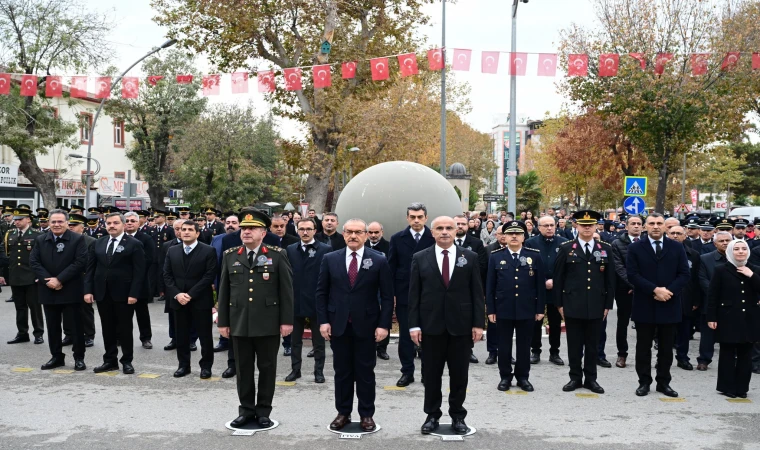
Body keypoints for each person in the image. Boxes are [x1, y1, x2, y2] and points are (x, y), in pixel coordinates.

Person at [217, 210, 294, 429]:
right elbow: (224, 292)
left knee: (267, 369)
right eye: (244, 228)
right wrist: (223, 321)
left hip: (268, 322)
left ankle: (263, 411)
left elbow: (286, 291)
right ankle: (246, 410)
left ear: (263, 232)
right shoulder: (231, 255)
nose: (246, 232)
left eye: (252, 228)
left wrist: (286, 321)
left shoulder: (277, 254)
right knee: (243, 369)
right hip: (239, 321)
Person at [315, 218, 393, 433]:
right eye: (349, 232)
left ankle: (367, 414)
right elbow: (321, 293)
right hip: (338, 325)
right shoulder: (330, 259)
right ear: (343, 233)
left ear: (366, 235)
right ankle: (343, 412)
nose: (353, 236)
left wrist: (383, 325)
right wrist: (323, 321)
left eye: (358, 232)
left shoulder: (378, 260)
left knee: (366, 373)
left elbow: (387, 296)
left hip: (367, 326)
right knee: (342, 372)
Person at [409, 216, 484, 435]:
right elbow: (414, 295)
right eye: (439, 228)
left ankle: (458, 416)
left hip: (461, 327)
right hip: (431, 327)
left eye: (449, 228)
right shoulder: (420, 258)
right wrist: (414, 325)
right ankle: (432, 415)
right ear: (431, 232)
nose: (444, 232)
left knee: (459, 375)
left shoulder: (469, 257)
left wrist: (478, 324)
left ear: (456, 230)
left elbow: (477, 294)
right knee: (431, 375)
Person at [627, 213, 690, 398]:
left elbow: (684, 274)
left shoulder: (677, 247)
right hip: (645, 303)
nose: (655, 226)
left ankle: (664, 382)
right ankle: (644, 382)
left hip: (669, 304)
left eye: (659, 223)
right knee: (643, 347)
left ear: (665, 227)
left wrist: (668, 291)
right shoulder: (636, 247)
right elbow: (632, 274)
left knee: (666, 348)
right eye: (652, 223)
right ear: (646, 227)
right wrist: (655, 290)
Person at [554, 210, 615, 394]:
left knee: (592, 344)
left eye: (590, 225)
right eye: (583, 225)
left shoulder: (605, 248)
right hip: (572, 304)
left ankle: (591, 379)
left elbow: (610, 280)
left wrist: (607, 305)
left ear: (596, 226)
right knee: (574, 344)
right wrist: (559, 304)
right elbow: (559, 279)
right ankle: (574, 378)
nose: (587, 228)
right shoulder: (566, 248)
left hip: (596, 304)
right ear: (577, 226)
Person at [487, 221, 545, 392]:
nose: (514, 236)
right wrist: (490, 309)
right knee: (503, 346)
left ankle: (523, 377)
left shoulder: (534, 256)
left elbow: (540, 286)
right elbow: (490, 285)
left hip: (526, 308)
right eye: (510, 233)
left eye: (518, 233)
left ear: (523, 236)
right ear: (504, 236)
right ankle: (505, 377)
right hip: (503, 309)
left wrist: (540, 309)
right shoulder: (496, 256)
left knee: (524, 346)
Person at [85, 212, 146, 375]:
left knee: (125, 329)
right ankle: (110, 360)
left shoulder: (134, 244)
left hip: (124, 294)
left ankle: (127, 361)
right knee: (107, 328)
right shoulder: (98, 243)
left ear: (123, 225)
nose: (111, 226)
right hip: (103, 293)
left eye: (115, 223)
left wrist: (134, 293)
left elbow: (139, 272)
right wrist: (88, 290)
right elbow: (90, 269)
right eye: (108, 223)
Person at [29, 209, 89, 371]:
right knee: (53, 326)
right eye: (53, 221)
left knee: (76, 327)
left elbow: (80, 262)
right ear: (49, 223)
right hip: (48, 289)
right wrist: (48, 280)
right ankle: (56, 357)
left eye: (60, 221)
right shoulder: (41, 240)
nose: (56, 224)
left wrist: (59, 279)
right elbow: (34, 262)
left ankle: (79, 358)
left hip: (71, 289)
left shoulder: (78, 239)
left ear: (67, 223)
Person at [388, 203, 436, 387]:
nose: (416, 220)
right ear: (407, 218)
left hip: (430, 295)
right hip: (404, 294)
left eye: (420, 217)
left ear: (426, 218)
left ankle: (427, 373)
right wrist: (391, 294)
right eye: (413, 217)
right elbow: (391, 268)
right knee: (406, 337)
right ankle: (407, 372)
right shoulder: (397, 238)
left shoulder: (434, 237)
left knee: (429, 337)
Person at [164, 220, 217, 379]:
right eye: (182, 229)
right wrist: (177, 294)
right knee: (181, 335)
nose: (185, 232)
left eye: (189, 230)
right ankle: (183, 365)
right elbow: (167, 275)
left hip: (200, 300)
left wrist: (191, 294)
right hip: (178, 300)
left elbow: (209, 276)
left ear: (197, 233)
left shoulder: (208, 251)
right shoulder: (172, 250)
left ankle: (206, 367)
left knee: (205, 336)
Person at [706, 240, 760, 398]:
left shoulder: (755, 269)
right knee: (727, 352)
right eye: (736, 249)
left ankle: (742, 388)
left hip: (749, 317)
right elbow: (713, 295)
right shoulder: (721, 270)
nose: (741, 252)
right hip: (727, 316)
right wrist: (711, 317)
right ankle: (727, 386)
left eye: (744, 249)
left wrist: (752, 275)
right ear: (730, 251)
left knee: (746, 353)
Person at [284, 217, 330, 383]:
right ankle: (296, 370)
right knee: (295, 340)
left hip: (317, 301)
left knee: (318, 341)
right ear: (297, 230)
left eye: (308, 229)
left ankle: (319, 371)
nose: (305, 232)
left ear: (315, 230)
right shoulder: (290, 249)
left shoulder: (325, 249)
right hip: (295, 300)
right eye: (301, 229)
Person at [525, 216, 566, 366]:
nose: (549, 228)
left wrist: (555, 281)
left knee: (555, 322)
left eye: (552, 225)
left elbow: (566, 267)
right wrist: (542, 282)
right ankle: (535, 351)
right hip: (536, 288)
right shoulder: (530, 243)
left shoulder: (562, 243)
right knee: (536, 321)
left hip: (556, 289)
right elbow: (527, 267)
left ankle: (554, 352)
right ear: (539, 227)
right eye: (546, 225)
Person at [4, 206, 44, 345]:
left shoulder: (37, 235)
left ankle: (38, 333)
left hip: (32, 277)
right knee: (20, 307)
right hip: (16, 276)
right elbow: (8, 255)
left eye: (20, 219)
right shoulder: (10, 234)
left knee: (35, 306)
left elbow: (42, 258)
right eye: (15, 220)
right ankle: (22, 333)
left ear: (28, 219)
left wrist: (40, 275)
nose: (17, 222)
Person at [608, 215, 643, 368]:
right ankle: (622, 354)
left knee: (644, 324)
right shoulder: (616, 243)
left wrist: (643, 286)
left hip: (645, 290)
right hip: (624, 290)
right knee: (623, 323)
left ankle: (643, 355)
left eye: (639, 224)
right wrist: (634, 285)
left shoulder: (647, 242)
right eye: (633, 224)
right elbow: (619, 267)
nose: (636, 226)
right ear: (626, 226)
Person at [453, 215, 488, 364]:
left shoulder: (476, 243)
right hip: (446, 288)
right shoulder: (443, 242)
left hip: (467, 288)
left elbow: (481, 265)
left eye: (463, 224)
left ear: (468, 226)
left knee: (466, 320)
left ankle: (468, 350)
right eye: (457, 224)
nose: (460, 226)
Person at [696, 231, 733, 371]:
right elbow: (702, 280)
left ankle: (731, 359)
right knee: (707, 334)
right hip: (711, 302)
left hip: (733, 303)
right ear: (715, 243)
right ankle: (704, 360)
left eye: (727, 240)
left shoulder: (739, 258)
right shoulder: (705, 259)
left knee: (732, 332)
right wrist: (718, 294)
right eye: (721, 241)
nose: (725, 243)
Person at [667, 225, 701, 371]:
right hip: (666, 298)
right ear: (667, 235)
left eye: (678, 233)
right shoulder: (661, 252)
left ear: (684, 235)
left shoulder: (693, 255)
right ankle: (663, 359)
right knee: (666, 333)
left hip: (686, 298)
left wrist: (696, 300)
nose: (675, 236)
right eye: (672, 233)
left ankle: (683, 358)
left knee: (684, 332)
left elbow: (697, 280)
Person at [124, 211, 154, 349]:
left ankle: (146, 338)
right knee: (122, 313)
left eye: (132, 221)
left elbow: (149, 259)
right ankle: (121, 337)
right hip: (121, 282)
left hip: (140, 281)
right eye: (127, 221)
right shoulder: (119, 238)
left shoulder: (146, 238)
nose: (129, 223)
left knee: (142, 312)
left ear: (138, 223)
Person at [365, 221, 391, 360]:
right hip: (367, 287)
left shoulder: (389, 246)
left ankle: (382, 348)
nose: (373, 235)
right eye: (371, 232)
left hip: (383, 286)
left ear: (382, 232)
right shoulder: (362, 246)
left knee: (383, 315)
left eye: (376, 232)